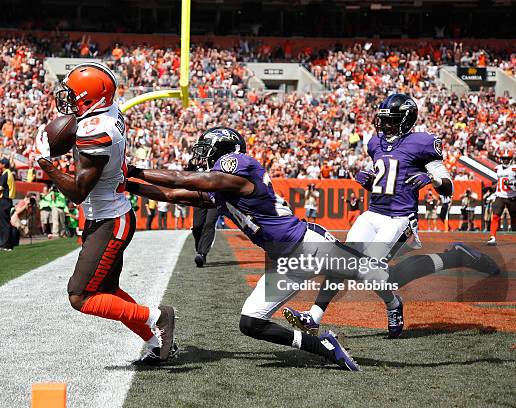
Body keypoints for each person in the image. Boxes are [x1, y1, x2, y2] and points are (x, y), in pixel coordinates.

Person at [126, 126, 499, 372]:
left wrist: (137, 169)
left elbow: (190, 178)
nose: (199, 154)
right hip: (290, 261)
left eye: (205, 148)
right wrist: (128, 183)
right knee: (250, 322)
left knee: (388, 278)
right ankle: (324, 348)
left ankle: (454, 256)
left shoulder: (238, 167)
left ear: (225, 152)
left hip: (311, 247)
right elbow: (176, 192)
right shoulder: (222, 187)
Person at [35, 61, 176, 365]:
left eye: (74, 95)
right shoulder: (107, 114)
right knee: (108, 290)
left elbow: (77, 192)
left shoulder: (96, 130)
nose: (68, 101)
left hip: (110, 221)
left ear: (91, 98)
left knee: (80, 296)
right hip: (108, 214)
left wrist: (46, 164)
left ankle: (158, 317)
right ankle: (155, 341)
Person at [287, 93, 454, 338]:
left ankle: (393, 303)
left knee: (368, 269)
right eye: (382, 119)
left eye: (390, 120)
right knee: (341, 260)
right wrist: (369, 183)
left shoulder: (422, 143)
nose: (383, 124)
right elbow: (387, 182)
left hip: (400, 218)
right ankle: (313, 317)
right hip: (373, 213)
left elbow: (448, 187)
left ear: (406, 120)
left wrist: (432, 178)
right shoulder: (375, 143)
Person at [487, 149, 515, 246]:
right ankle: (492, 237)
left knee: (514, 218)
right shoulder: (497, 168)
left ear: (511, 159)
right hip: (500, 196)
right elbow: (499, 181)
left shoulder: (514, 168)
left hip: (512, 196)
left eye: (507, 159)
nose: (505, 160)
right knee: (495, 216)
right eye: (504, 158)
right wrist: (491, 188)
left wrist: (512, 183)